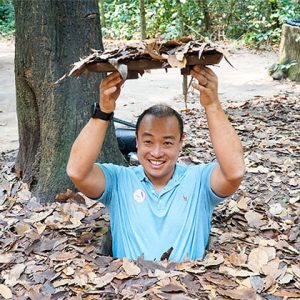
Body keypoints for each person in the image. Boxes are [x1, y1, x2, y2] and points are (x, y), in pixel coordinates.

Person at [67, 66, 245, 262]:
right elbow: (77, 172)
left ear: (180, 142)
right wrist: (103, 112)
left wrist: (212, 105)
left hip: (188, 289)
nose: (157, 153)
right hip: (128, 288)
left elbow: (234, 171)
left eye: (167, 143)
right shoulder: (119, 180)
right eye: (148, 141)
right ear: (136, 141)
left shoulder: (199, 180)